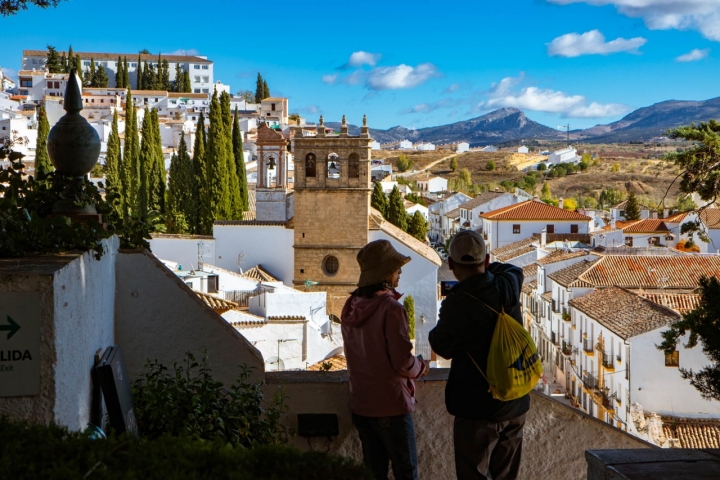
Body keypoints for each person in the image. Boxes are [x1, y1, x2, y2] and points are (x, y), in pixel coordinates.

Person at [428, 230, 528, 480]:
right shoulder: (507, 283)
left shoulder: (456, 303)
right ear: (486, 260)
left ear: (450, 264)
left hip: (478, 408)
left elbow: (442, 346)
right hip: (515, 402)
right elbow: (514, 269)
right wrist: (484, 265)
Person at [341, 240, 430, 480]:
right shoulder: (390, 309)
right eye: (396, 268)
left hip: (361, 404)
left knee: (373, 472)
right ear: (384, 274)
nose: (399, 272)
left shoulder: (351, 307)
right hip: (390, 405)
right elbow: (402, 362)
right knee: (406, 472)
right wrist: (421, 367)